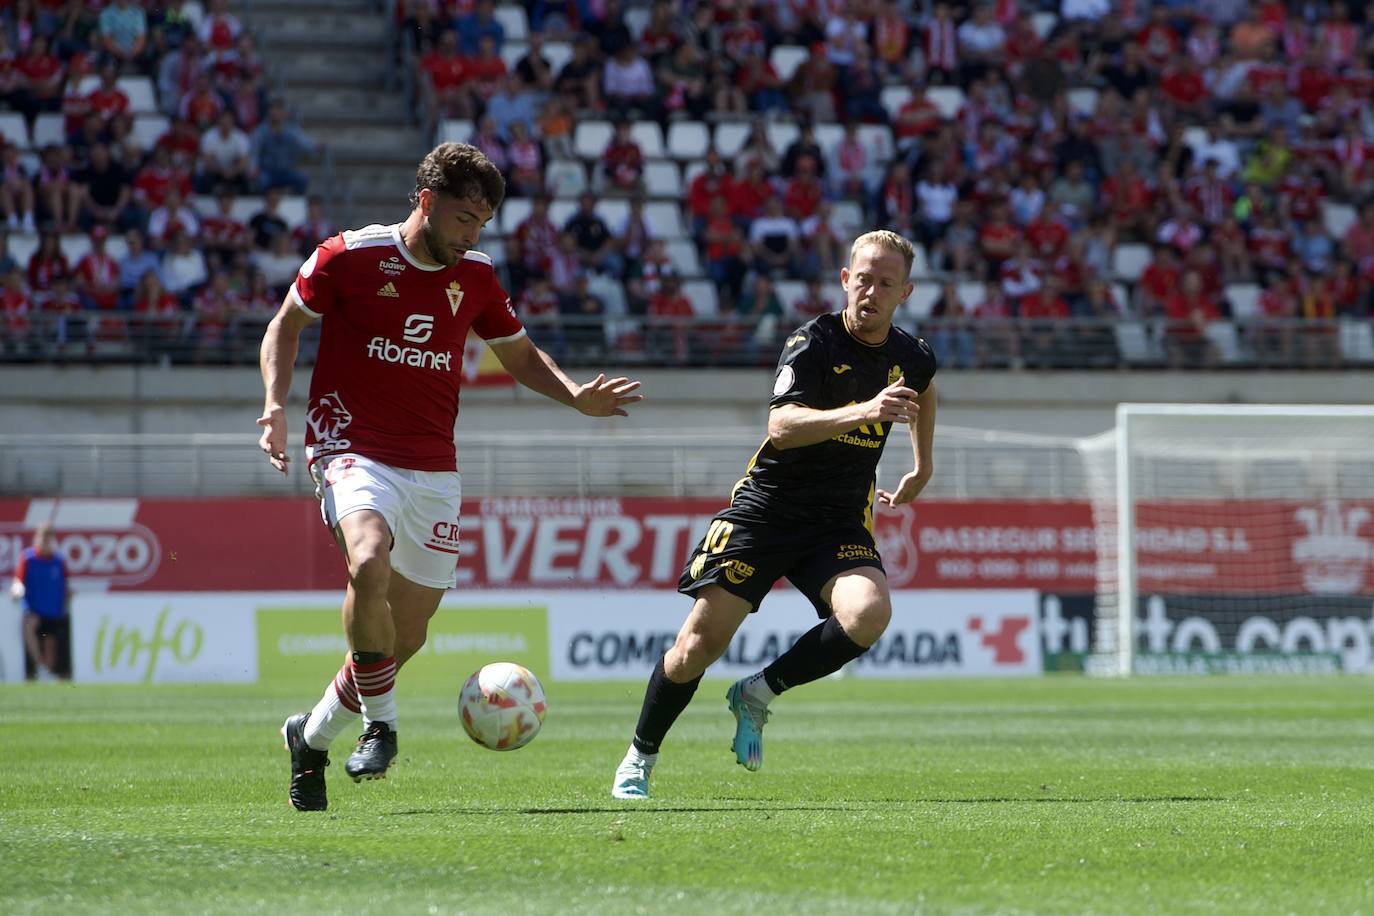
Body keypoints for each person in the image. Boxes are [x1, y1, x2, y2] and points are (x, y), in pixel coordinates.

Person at [258, 142, 642, 812]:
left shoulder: (480, 277)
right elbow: (284, 327)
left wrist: (575, 395)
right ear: (427, 201)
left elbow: (519, 357)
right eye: (464, 218)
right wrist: (272, 406)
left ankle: (311, 738)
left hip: (433, 466)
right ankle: (384, 725)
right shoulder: (349, 255)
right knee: (368, 560)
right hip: (348, 444)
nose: (472, 235)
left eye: (482, 224)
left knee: (404, 636)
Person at [611, 230, 938, 799]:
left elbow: (925, 386)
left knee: (869, 613)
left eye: (886, 283)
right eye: (863, 278)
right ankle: (640, 755)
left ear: (904, 292)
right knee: (696, 647)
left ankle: (758, 692)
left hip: (837, 520)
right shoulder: (812, 342)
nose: (871, 292)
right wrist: (866, 409)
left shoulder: (911, 355)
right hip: (767, 511)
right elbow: (781, 428)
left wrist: (923, 465)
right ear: (845, 279)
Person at [10, 523, 71, 681]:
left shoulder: (58, 561)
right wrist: (16, 590)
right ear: (37, 539)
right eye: (42, 538)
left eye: (48, 539)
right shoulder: (28, 558)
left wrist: (66, 602)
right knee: (29, 625)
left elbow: (66, 584)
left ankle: (47, 674)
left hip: (53, 612)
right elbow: (18, 579)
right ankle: (39, 666)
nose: (45, 543)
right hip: (33, 609)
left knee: (50, 645)